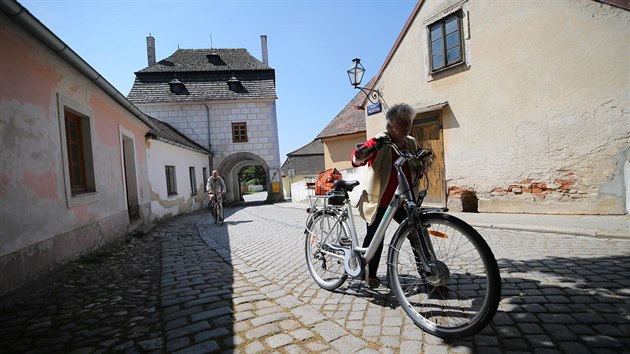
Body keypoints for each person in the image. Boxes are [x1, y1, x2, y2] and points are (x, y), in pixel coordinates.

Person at [351, 103, 419, 289]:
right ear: (390, 124)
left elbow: (417, 165)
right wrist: (362, 153)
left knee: (416, 234)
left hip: (403, 201)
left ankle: (428, 274)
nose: (407, 126)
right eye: (403, 123)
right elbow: (357, 158)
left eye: (409, 122)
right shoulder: (380, 140)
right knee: (375, 238)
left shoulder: (411, 142)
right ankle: (368, 274)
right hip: (380, 200)